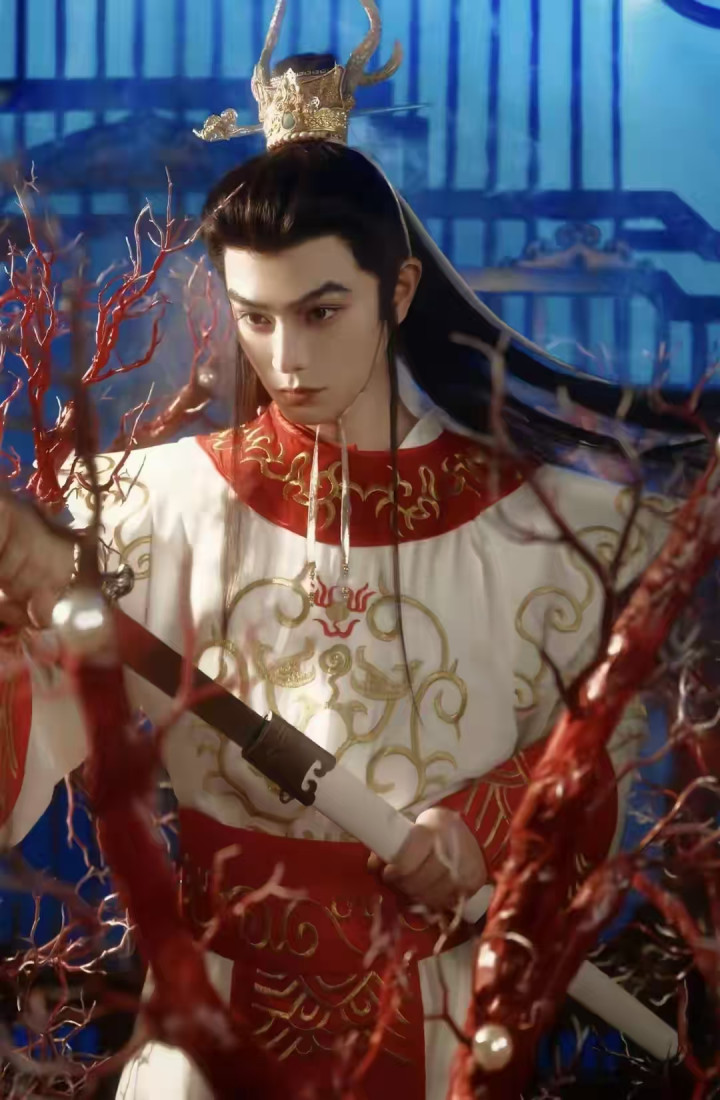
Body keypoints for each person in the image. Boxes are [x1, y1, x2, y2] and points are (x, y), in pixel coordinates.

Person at [0, 3, 686, 1097]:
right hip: (211, 1011)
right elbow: (33, 735)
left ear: (397, 291)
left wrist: (479, 825)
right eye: (256, 317)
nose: (287, 359)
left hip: (438, 1010)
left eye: (322, 312)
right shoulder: (152, 507)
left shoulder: (544, 522)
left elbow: (603, 756)